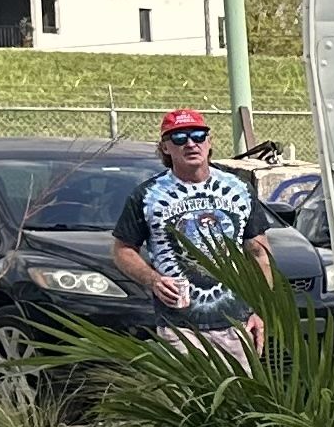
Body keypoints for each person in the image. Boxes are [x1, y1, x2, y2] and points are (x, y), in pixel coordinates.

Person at [106, 109, 277, 341]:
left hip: (237, 323)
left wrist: (260, 309)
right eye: (179, 138)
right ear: (165, 147)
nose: (190, 144)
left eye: (198, 135)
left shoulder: (239, 188)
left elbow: (259, 253)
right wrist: (154, 280)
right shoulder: (147, 195)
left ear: (209, 141)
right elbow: (122, 250)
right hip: (179, 325)